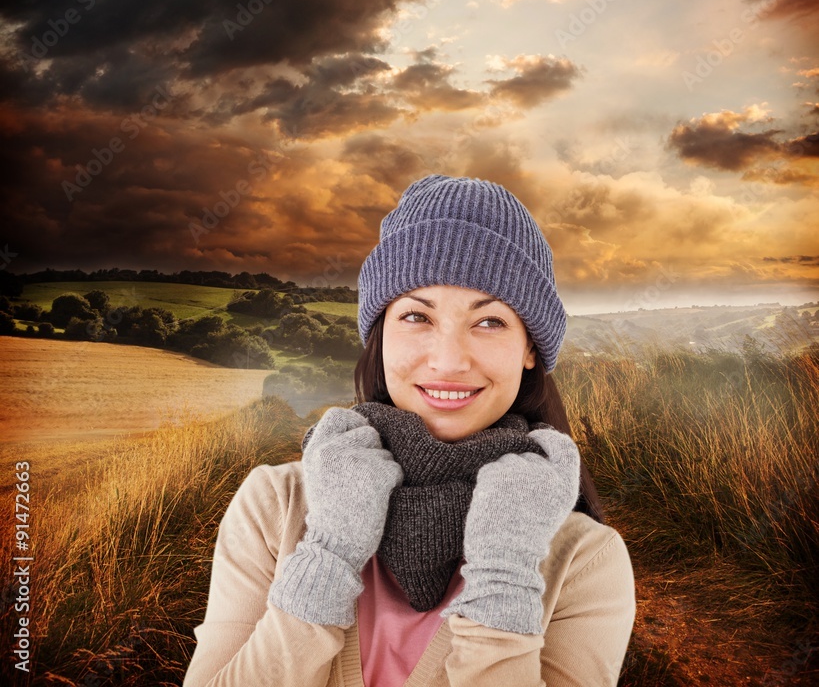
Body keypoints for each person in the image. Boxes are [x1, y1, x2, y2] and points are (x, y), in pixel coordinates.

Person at [183, 174, 636, 687]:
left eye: (488, 322)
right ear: (379, 337)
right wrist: (329, 552)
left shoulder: (583, 557)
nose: (448, 360)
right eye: (417, 316)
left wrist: (505, 575)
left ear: (530, 349)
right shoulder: (276, 505)